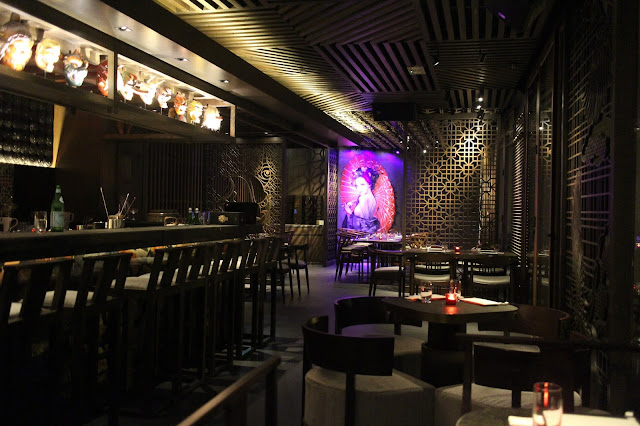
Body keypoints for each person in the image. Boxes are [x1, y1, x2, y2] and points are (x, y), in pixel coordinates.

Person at [343, 167, 380, 233]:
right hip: (365, 234)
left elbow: (366, 224)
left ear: (369, 184)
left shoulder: (363, 198)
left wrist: (350, 213)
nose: (359, 188)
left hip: (361, 234)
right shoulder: (371, 198)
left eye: (362, 184)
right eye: (357, 186)